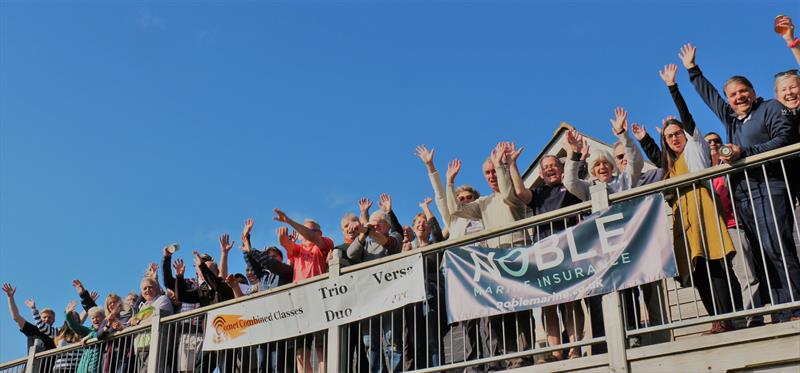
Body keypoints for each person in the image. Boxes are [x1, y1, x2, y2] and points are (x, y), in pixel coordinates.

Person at [680, 43, 800, 320]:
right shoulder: (731, 118)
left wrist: (744, 153)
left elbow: (784, 139)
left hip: (770, 186)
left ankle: (795, 305)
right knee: (762, 255)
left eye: (743, 91)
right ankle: (783, 311)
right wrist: (693, 71)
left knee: (779, 248)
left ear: (753, 92)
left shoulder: (770, 108)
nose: (738, 97)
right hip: (743, 193)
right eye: (733, 95)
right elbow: (711, 98)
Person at [445, 142, 531, 370]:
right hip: (493, 263)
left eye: (494, 171)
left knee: (519, 308)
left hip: (515, 258)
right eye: (487, 172)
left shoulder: (511, 194)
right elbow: (454, 211)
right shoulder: (482, 203)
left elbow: (506, 192)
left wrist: (502, 165)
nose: (491, 175)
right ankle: (511, 357)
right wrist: (449, 182)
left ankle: (524, 355)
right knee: (498, 312)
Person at [507, 145, 585, 360]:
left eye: (554, 166)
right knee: (549, 304)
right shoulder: (539, 193)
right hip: (544, 254)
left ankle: (575, 348)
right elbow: (520, 192)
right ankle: (556, 351)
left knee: (572, 301)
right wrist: (512, 164)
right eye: (546, 167)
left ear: (561, 170)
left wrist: (574, 154)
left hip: (569, 252)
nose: (550, 169)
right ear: (541, 173)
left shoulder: (571, 189)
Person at [272, 208, 333, 372]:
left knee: (321, 349)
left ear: (319, 232)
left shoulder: (324, 244)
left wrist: (289, 221)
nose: (306, 233)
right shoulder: (298, 250)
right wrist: (282, 238)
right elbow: (287, 245)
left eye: (311, 230)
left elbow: (312, 237)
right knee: (300, 351)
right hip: (298, 303)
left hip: (319, 300)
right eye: (303, 230)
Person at [346, 212, 403, 372]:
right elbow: (351, 253)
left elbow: (390, 244)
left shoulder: (395, 236)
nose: (375, 226)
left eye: (379, 223)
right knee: (370, 342)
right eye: (372, 223)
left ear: (388, 226)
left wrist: (369, 230)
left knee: (392, 340)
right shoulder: (366, 243)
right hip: (370, 299)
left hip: (392, 297)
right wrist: (364, 233)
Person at [240, 218, 293, 373]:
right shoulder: (262, 276)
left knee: (278, 364)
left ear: (280, 258)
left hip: (280, 320)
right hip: (263, 323)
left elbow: (267, 261)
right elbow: (250, 260)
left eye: (275, 255)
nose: (271, 257)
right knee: (262, 363)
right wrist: (246, 237)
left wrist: (251, 249)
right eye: (269, 255)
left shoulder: (285, 270)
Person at [415, 145, 484, 239]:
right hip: (459, 253)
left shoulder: (483, 214)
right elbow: (440, 195)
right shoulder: (453, 218)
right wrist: (430, 165)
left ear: (475, 199)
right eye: (461, 198)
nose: (465, 200)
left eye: (469, 197)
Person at [2, 283, 56, 352]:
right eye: (44, 317)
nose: (47, 319)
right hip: (33, 362)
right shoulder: (33, 330)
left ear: (54, 320)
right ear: (39, 318)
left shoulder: (57, 334)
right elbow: (16, 317)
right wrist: (10, 297)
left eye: (49, 317)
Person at [64, 301, 104, 373]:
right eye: (92, 318)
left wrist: (90, 336)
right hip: (82, 369)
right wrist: (68, 315)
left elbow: (102, 334)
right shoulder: (87, 330)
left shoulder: (106, 328)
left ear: (103, 317)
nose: (95, 320)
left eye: (97, 317)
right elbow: (75, 326)